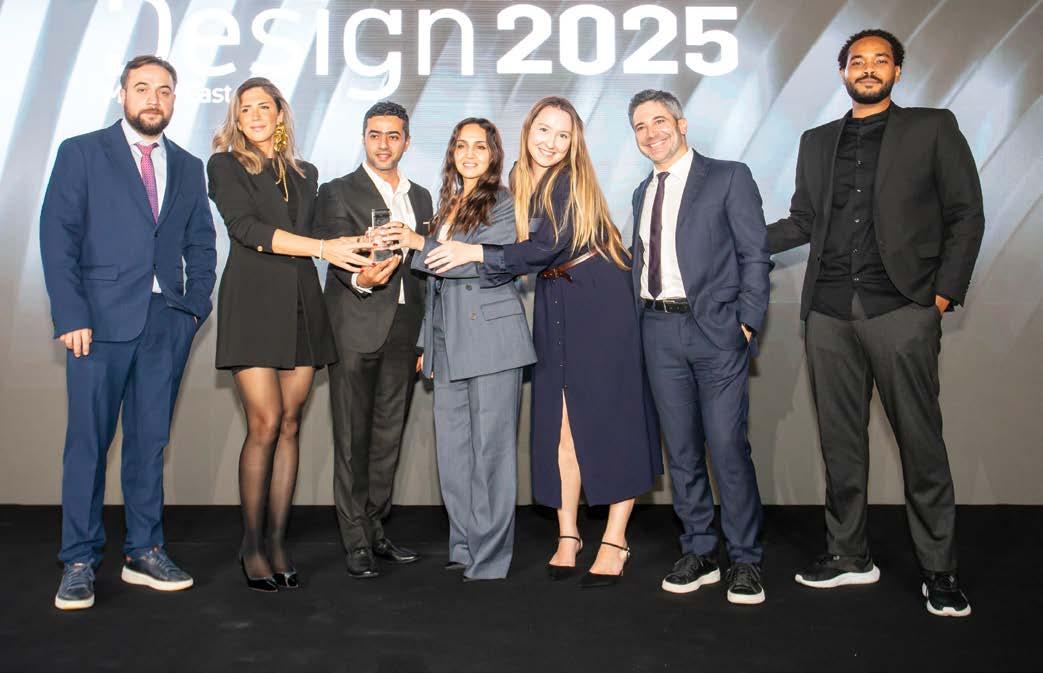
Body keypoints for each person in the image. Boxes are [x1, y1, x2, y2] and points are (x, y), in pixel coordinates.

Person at [767, 29, 984, 617]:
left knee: (921, 443)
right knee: (840, 443)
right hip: (828, 313)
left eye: (879, 60)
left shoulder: (932, 128)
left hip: (903, 310)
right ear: (843, 73)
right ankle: (848, 555)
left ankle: (939, 571)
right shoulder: (816, 141)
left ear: (897, 72)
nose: (868, 69)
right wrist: (730, 242)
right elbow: (802, 221)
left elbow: (966, 214)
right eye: (857, 61)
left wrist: (942, 297)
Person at [414, 97, 661, 588]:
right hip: (555, 293)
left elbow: (546, 246)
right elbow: (533, 255)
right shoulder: (523, 180)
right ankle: (568, 534)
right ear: (528, 131)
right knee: (560, 425)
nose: (550, 142)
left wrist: (472, 252)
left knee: (611, 417)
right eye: (543, 130)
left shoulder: (569, 179)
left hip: (599, 294)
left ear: (574, 143)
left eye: (562, 135)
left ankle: (615, 539)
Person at [41, 55, 217, 610]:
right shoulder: (82, 152)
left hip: (166, 323)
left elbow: (202, 243)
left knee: (149, 443)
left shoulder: (188, 165)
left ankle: (144, 550)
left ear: (174, 99)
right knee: (88, 445)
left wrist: (193, 309)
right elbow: (57, 236)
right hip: (96, 325)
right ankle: (78, 560)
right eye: (142, 88)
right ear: (122, 95)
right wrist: (71, 314)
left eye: (164, 90)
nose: (153, 99)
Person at [207, 77, 371, 591]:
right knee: (266, 421)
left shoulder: (306, 172)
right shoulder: (225, 166)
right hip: (253, 303)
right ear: (236, 118)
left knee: (291, 424)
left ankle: (278, 542)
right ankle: (252, 544)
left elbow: (319, 236)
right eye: (246, 108)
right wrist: (323, 250)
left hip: (302, 305)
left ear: (280, 113)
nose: (256, 115)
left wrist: (364, 249)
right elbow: (246, 230)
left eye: (265, 106)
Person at [628, 89, 772, 605]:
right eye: (640, 126)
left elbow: (755, 254)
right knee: (682, 450)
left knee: (727, 446)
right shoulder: (642, 191)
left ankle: (745, 559)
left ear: (682, 124)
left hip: (716, 332)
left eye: (659, 121)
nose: (651, 133)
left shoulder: (729, 176)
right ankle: (699, 550)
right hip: (657, 330)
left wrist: (747, 323)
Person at [384, 118, 536, 581]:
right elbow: (435, 284)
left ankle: (490, 557)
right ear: (452, 152)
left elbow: (478, 264)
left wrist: (416, 241)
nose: (470, 154)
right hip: (447, 342)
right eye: (462, 146)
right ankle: (465, 545)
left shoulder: (506, 202)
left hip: (492, 341)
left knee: (491, 453)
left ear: (494, 155)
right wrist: (427, 343)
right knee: (453, 453)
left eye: (480, 147)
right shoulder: (448, 203)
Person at [313, 102, 432, 579]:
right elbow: (333, 253)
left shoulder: (421, 196)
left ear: (407, 141)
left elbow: (426, 268)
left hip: (405, 327)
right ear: (363, 138)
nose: (384, 144)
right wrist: (361, 279)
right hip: (355, 323)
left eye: (393, 135)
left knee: (388, 436)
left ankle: (376, 528)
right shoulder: (336, 190)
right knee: (351, 437)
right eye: (375, 134)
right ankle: (356, 540)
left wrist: (425, 337)